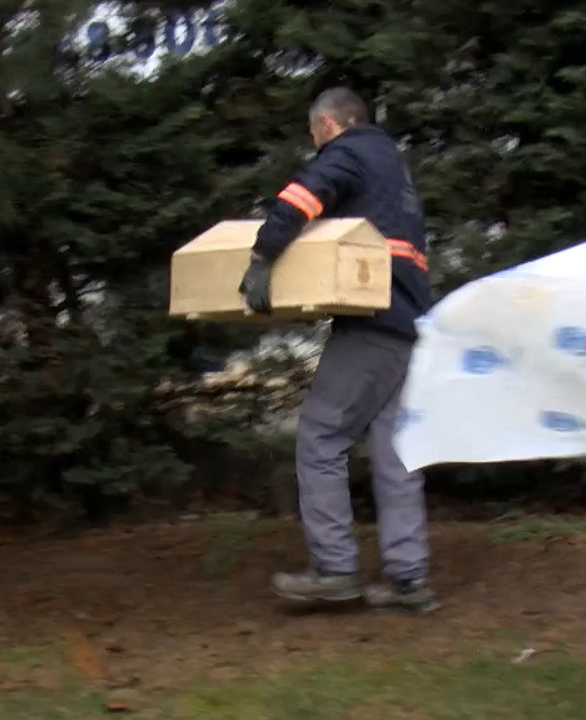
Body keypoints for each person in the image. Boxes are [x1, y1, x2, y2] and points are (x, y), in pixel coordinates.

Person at [237, 87, 438, 613]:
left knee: (322, 434)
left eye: (313, 134)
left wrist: (263, 256)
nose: (315, 143)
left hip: (373, 320)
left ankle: (335, 569)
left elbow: (303, 197)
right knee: (396, 455)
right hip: (410, 324)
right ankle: (408, 580)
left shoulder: (348, 152)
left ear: (327, 125)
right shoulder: (393, 165)